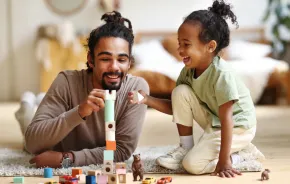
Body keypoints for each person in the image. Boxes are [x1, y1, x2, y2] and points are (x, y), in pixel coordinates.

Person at [128, 0, 265, 178]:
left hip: (238, 126)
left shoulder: (222, 75)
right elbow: (176, 106)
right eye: (179, 43)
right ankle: (186, 147)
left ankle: (238, 157)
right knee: (180, 91)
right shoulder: (187, 72)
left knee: (191, 165)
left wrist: (223, 161)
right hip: (214, 120)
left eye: (186, 44)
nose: (180, 49)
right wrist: (147, 99)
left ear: (210, 46)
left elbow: (227, 120)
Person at [15, 11, 149, 168]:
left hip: (63, 144)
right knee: (27, 140)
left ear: (129, 62)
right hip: (54, 138)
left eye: (121, 59)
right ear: (90, 60)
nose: (114, 67)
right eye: (105, 59)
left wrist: (67, 158)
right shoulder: (66, 81)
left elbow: (120, 151)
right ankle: (26, 112)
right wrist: (80, 112)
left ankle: (32, 107)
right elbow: (33, 144)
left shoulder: (136, 89)